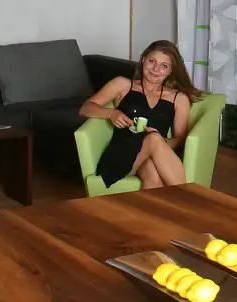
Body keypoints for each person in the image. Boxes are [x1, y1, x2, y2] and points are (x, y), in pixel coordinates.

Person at [79, 40, 201, 190]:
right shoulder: (123, 85)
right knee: (154, 139)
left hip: (149, 156)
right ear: (143, 60)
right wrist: (112, 113)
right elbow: (85, 108)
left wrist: (162, 142)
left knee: (154, 176)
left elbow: (179, 139)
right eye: (152, 61)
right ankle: (189, 198)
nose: (155, 69)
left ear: (170, 71)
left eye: (164, 66)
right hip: (121, 155)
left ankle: (143, 207)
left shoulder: (179, 99)